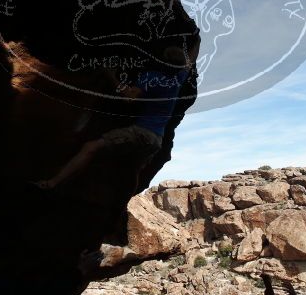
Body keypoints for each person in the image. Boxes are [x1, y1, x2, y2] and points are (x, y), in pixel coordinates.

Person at [35, 44, 192, 190]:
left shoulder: (150, 77)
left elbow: (129, 97)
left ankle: (52, 183)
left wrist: (111, 75)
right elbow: (189, 62)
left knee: (91, 148)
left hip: (141, 131)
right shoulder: (178, 79)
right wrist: (196, 40)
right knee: (132, 171)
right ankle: (121, 204)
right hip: (156, 140)